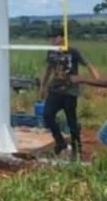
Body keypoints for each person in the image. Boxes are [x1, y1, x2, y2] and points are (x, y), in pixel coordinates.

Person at [38, 32, 99, 160]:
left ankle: (77, 149)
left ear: (62, 38)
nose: (52, 40)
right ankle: (60, 142)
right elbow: (48, 69)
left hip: (70, 91)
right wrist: (42, 86)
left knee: (71, 120)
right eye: (51, 37)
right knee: (47, 115)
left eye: (55, 37)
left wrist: (98, 83)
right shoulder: (52, 52)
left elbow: (89, 65)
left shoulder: (73, 51)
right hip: (55, 90)